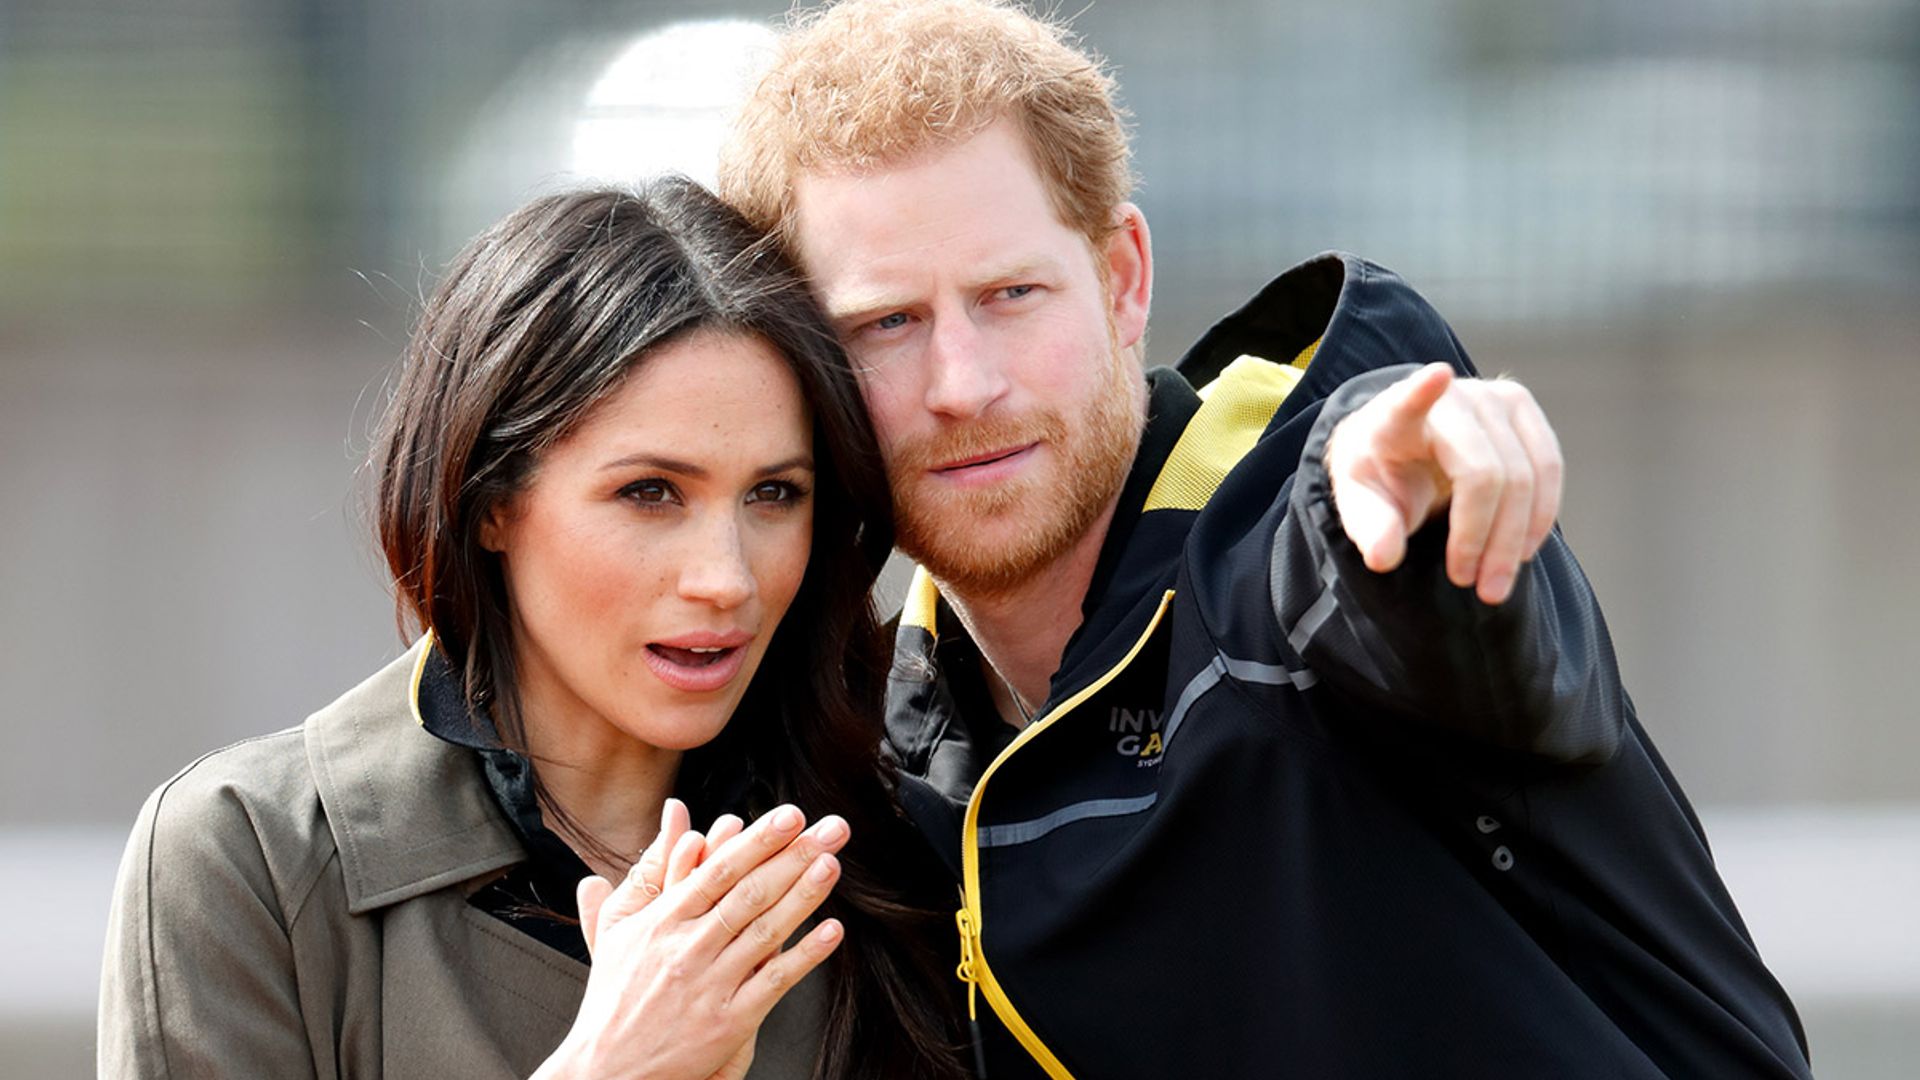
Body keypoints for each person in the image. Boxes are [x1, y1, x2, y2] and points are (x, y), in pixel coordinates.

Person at [718, 1, 1815, 1076]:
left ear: (1122, 279)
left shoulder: (1293, 564)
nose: (965, 383)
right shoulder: (884, 753)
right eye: (886, 324)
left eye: (1012, 294)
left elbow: (1403, 594)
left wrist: (1412, 509)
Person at [97, 180, 966, 1079]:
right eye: (650, 492)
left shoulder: (891, 855)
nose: (727, 578)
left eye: (773, 494)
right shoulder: (253, 862)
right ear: (491, 503)